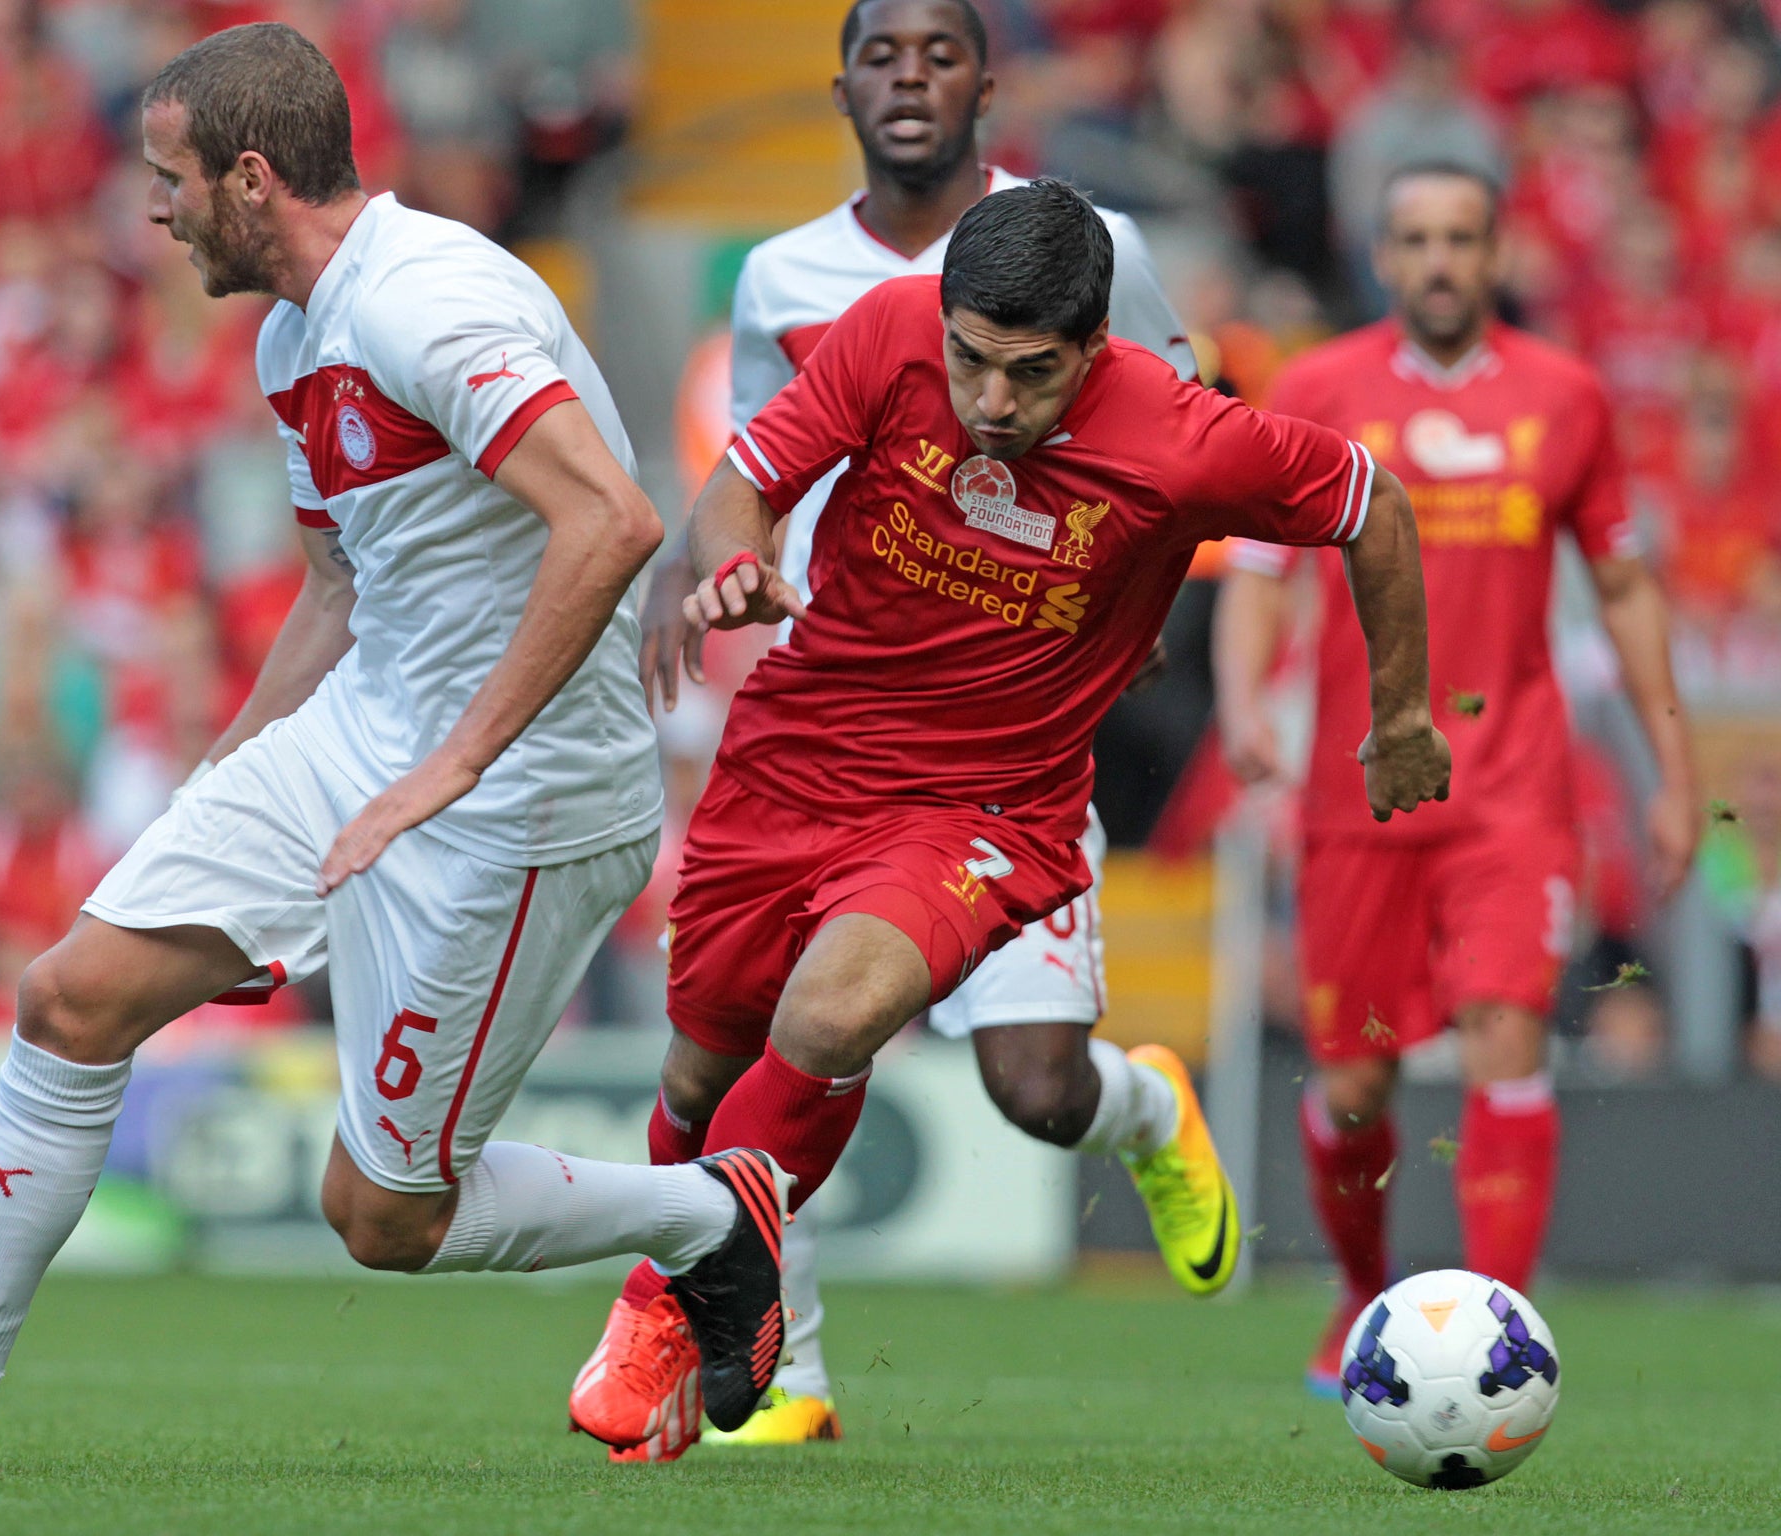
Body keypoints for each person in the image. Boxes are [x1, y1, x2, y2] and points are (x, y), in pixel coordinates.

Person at [0, 23, 793, 1472]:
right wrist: (223, 782)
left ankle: (715, 1219)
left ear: (249, 177)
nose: (151, 211)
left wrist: (451, 770)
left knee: (384, 1219)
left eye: (168, 180)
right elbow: (342, 586)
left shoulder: (426, 304)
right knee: (70, 997)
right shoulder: (295, 331)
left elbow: (612, 521)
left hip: (525, 797)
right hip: (368, 734)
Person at [569, 176, 1453, 1463]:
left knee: (833, 1018)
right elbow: (739, 486)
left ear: (1094, 347)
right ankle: (722, 1296)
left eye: (1028, 374)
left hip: (982, 804)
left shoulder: (1183, 436)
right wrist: (733, 563)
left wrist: (1404, 713)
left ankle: (658, 1314)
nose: (990, 402)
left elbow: (1372, 503)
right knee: (699, 1078)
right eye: (969, 361)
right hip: (794, 764)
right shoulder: (880, 332)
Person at [640, 0, 1199, 1449]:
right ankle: (789, 1376)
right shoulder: (782, 276)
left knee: (1033, 1085)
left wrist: (1123, 616)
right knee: (784, 1034)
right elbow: (754, 467)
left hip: (1012, 718)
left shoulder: (1096, 247)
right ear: (840, 88)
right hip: (842, 705)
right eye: (882, 56)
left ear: (986, 84)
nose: (909, 79)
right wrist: (734, 571)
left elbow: (1182, 432)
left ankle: (1142, 1113)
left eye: (938, 54)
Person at [1211, 163, 1698, 1396]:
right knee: (1355, 1081)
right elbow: (1260, 578)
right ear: (1380, 253)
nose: (1437, 260)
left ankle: (1500, 1336)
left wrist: (1672, 769)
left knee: (1501, 1029)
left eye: (1460, 238)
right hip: (1358, 794)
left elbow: (1627, 586)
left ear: (1495, 255)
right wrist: (1240, 705)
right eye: (1414, 237)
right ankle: (1354, 1295)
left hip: (1513, 789)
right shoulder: (1318, 390)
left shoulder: (1567, 398)